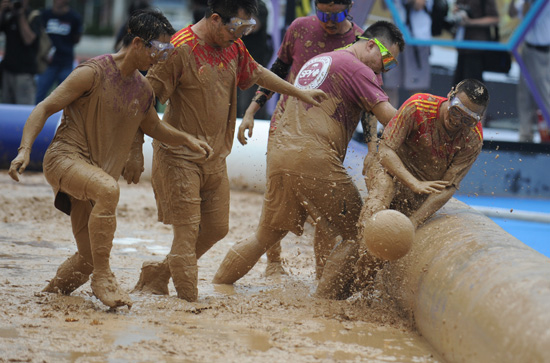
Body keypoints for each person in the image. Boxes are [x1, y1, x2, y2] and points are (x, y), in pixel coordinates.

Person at [8, 9, 214, 309]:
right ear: (137, 44)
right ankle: (104, 277)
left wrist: (186, 139)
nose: (162, 56)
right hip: (65, 159)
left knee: (87, 259)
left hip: (94, 175)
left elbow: (153, 127)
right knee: (109, 190)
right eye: (159, 48)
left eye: (168, 50)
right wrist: (24, 150)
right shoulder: (91, 73)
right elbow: (44, 107)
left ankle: (47, 298)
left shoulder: (142, 89)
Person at [131, 0, 327, 302]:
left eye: (248, 28)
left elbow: (258, 72)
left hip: (215, 154)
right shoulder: (179, 49)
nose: (242, 35)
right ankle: (188, 308)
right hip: (178, 155)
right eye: (237, 27)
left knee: (217, 228)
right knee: (185, 236)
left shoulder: (233, 47)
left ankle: (158, 275)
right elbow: (143, 99)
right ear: (215, 20)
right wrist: (133, 149)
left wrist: (299, 92)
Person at [212, 21, 405, 287]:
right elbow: (389, 118)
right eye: (387, 60)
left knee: (264, 237)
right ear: (371, 44)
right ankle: (324, 302)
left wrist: (372, 148)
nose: (385, 69)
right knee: (357, 234)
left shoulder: (321, 59)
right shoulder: (359, 69)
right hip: (315, 158)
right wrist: (424, 120)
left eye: (391, 66)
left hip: (281, 153)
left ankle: (218, 285)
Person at [318, 78, 488, 300]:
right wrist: (413, 182)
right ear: (450, 95)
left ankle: (358, 291)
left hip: (418, 192)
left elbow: (447, 187)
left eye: (468, 120)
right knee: (373, 218)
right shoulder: (418, 106)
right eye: (457, 112)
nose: (458, 122)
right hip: (387, 170)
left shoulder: (473, 138)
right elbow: (386, 151)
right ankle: (325, 295)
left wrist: (414, 221)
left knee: (387, 243)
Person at [240, 0, 364, 278]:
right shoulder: (299, 28)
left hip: (329, 132)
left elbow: (367, 97)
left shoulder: (359, 41)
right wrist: (251, 109)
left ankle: (322, 272)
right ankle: (273, 262)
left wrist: (375, 144)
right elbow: (279, 69)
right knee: (275, 191)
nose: (328, 21)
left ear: (350, 8)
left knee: (325, 208)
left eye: (337, 15)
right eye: (322, 14)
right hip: (286, 123)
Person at [508, 0, 550, 143]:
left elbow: (529, 17)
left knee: (544, 95)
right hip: (528, 49)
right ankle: (525, 135)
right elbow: (511, 13)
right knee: (524, 94)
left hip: (542, 53)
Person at [384, 0, 433, 106]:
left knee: (416, 89)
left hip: (417, 38)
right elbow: (384, 6)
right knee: (390, 84)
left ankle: (415, 121)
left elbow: (418, 4)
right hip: (393, 37)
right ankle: (389, 121)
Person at [35, 0, 83, 104]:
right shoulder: (45, 14)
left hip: (65, 62)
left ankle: (64, 120)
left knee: (67, 97)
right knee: (39, 96)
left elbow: (77, 38)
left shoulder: (74, 17)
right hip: (47, 63)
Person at [0, 0, 41, 104]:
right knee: (6, 113)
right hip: (7, 71)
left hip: (24, 74)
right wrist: (1, 11)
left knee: (25, 112)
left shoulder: (33, 16)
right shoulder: (8, 14)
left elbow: (28, 39)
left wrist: (20, 15)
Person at [236, 0, 271, 120]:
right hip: (234, 62)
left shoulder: (259, 6)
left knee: (248, 105)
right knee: (232, 104)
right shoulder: (233, 5)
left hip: (253, 64)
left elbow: (253, 27)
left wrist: (233, 24)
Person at [451, 0, 499, 85]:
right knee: (457, 86)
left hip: (476, 47)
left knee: (472, 85)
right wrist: (456, 12)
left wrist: (470, 22)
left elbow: (495, 19)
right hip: (462, 46)